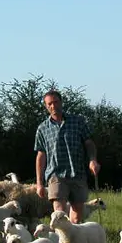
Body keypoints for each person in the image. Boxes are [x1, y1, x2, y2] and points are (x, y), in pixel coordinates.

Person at [34, 89, 100, 224]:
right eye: (49, 104)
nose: (53, 106)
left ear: (61, 102)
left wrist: (93, 160)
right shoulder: (42, 128)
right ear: (46, 106)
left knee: (76, 217)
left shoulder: (77, 122)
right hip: (55, 175)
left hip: (78, 173)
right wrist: (39, 183)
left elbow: (89, 143)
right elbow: (41, 155)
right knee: (59, 214)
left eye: (55, 102)